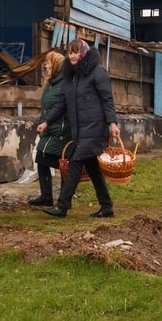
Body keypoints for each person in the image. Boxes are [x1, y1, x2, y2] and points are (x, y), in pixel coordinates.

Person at [37, 39, 119, 218]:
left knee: (75, 162)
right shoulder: (71, 76)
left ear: (84, 52)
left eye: (75, 52)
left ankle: (62, 206)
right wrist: (47, 122)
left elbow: (107, 99)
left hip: (95, 128)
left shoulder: (98, 73)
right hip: (79, 130)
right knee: (92, 168)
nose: (72, 56)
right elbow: (62, 104)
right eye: (70, 52)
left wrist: (112, 123)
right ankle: (107, 206)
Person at [27, 51, 73, 207]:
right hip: (49, 129)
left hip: (61, 130)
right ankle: (46, 196)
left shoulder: (65, 83)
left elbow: (62, 106)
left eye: (48, 63)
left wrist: (49, 122)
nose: (45, 65)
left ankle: (63, 200)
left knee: (63, 164)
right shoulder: (50, 83)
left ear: (57, 65)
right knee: (41, 158)